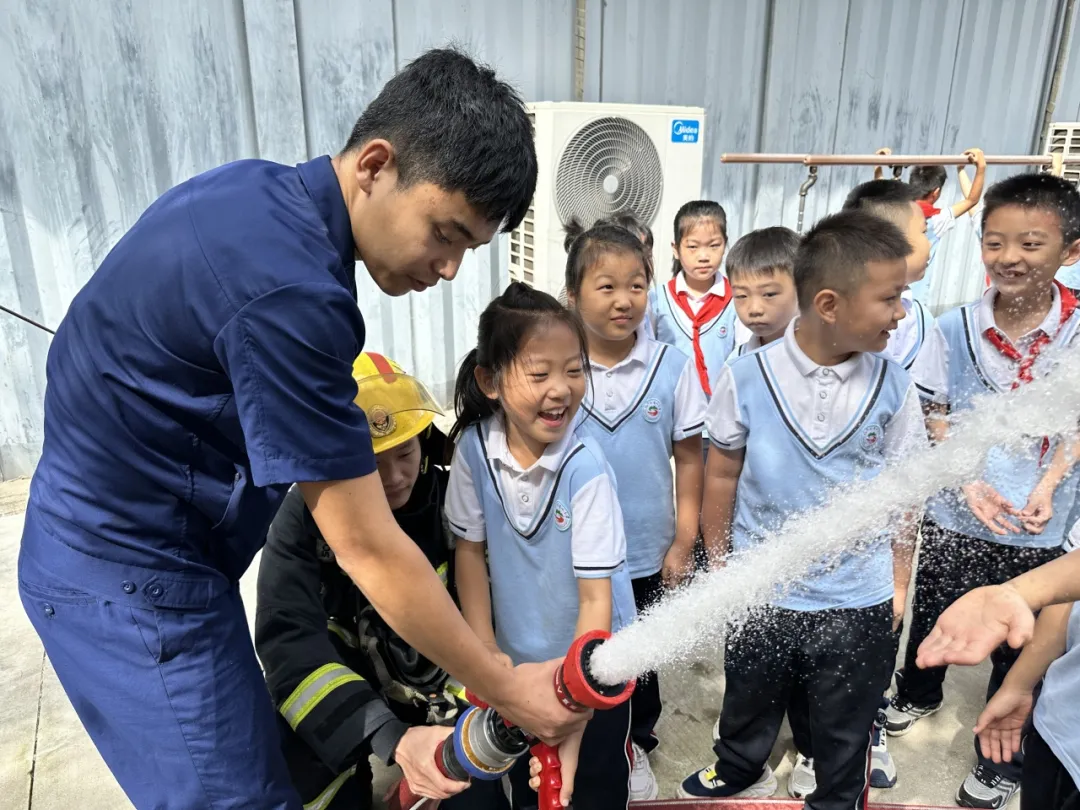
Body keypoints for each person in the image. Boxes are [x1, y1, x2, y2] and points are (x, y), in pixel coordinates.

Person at [15, 48, 585, 810]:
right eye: (445, 233)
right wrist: (506, 688)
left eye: (469, 249)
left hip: (134, 540)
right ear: (375, 165)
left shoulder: (253, 192)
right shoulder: (293, 295)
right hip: (129, 576)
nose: (449, 269)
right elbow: (370, 549)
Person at [678, 211, 927, 808]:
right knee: (750, 690)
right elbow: (721, 473)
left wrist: (896, 582)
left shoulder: (895, 384)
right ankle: (740, 764)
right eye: (890, 298)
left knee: (845, 724)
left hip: (855, 598)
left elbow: (905, 492)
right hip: (763, 586)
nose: (901, 312)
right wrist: (721, 563)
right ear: (830, 303)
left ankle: (835, 790)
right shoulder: (746, 376)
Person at [885, 172, 1080, 809]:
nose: (1010, 259)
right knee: (937, 621)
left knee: (1025, 641)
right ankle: (917, 695)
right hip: (956, 513)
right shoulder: (952, 327)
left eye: (1030, 244)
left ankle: (1004, 752)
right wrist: (965, 480)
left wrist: (1051, 484)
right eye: (995, 243)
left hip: (1039, 525)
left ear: (1069, 252)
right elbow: (932, 408)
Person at [255, 352, 508, 809]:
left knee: (472, 794)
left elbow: (492, 607)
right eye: (371, 464)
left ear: (425, 444)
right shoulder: (302, 515)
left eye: (405, 453)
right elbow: (287, 644)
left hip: (447, 688)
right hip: (353, 685)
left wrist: (454, 737)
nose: (394, 478)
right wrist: (384, 735)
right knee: (295, 766)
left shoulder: (451, 498)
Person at [446, 282, 638, 810]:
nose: (562, 389)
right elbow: (469, 553)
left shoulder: (586, 468)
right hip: (517, 666)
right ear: (489, 380)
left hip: (595, 664)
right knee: (532, 791)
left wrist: (574, 703)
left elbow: (597, 600)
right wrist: (486, 655)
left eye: (575, 371)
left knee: (590, 786)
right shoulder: (472, 449)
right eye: (539, 374)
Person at [563, 220, 706, 801]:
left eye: (638, 285)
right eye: (606, 286)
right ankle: (586, 733)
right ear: (571, 295)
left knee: (642, 655)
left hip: (647, 545)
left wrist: (683, 539)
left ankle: (636, 742)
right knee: (583, 643)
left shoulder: (671, 366)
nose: (624, 300)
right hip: (575, 548)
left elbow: (691, 458)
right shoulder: (558, 369)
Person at [842, 180, 948, 439]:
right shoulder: (833, 317)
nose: (929, 243)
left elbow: (931, 408)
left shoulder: (922, 321)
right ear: (891, 242)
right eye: (923, 232)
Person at [648, 201, 738, 400]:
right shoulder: (657, 299)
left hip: (718, 412)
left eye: (714, 245)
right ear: (676, 249)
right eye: (693, 247)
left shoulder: (737, 299)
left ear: (725, 244)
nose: (704, 256)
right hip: (669, 409)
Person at [906, 149, 987, 302]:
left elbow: (880, 188)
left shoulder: (896, 209)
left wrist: (878, 166)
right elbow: (972, 200)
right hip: (916, 299)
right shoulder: (937, 219)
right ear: (936, 192)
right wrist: (980, 169)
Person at [724, 226, 800, 359]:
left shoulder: (827, 357)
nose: (754, 309)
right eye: (741, 296)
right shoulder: (737, 361)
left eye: (769, 294)